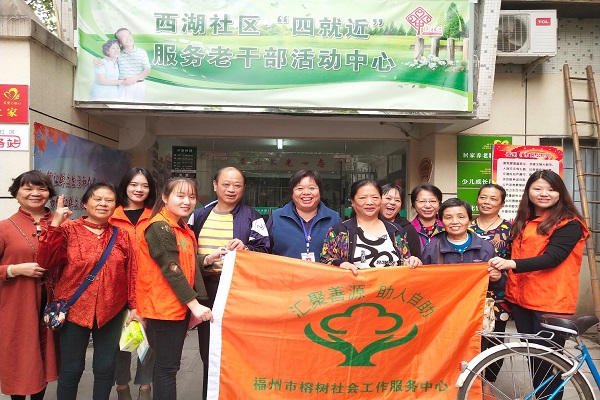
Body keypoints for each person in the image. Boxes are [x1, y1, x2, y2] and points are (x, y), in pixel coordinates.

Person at [489, 170, 588, 400]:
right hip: (522, 301)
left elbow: (553, 258)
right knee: (534, 360)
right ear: (528, 192)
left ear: (560, 193)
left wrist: (510, 264)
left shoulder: (569, 223)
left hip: (550, 303)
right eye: (538, 188)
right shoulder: (524, 220)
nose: (544, 194)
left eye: (551, 189)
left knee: (548, 364)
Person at [37, 182, 137, 400]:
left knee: (105, 367)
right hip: (74, 310)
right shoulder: (68, 229)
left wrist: (134, 306)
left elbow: (131, 272)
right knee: (71, 369)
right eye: (97, 199)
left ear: (115, 206)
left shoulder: (122, 235)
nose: (103, 204)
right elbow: (45, 261)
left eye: (109, 200)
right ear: (85, 202)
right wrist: (55, 224)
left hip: (111, 310)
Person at [188, 166, 269, 400]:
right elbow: (187, 251)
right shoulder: (199, 215)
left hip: (237, 292)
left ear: (244, 188)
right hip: (206, 289)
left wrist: (247, 248)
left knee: (237, 349)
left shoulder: (253, 217)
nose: (231, 189)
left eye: (237, 185)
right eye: (226, 184)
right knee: (208, 348)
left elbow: (265, 250)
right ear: (215, 185)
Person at [137, 177, 212, 400]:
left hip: (173, 306)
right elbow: (171, 268)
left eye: (191, 197)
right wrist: (194, 304)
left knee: (165, 367)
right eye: (180, 196)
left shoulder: (179, 226)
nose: (187, 201)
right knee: (167, 369)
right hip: (164, 308)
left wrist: (208, 259)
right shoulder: (160, 227)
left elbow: (185, 262)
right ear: (164, 197)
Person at [0, 171, 58, 400]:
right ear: (16, 193)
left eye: (42, 189)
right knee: (20, 358)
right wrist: (14, 270)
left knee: (45, 356)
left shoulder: (62, 224)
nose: (35, 193)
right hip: (17, 305)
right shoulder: (5, 228)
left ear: (49, 194)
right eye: (28, 188)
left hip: (53, 305)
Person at [110, 168, 157, 400]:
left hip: (150, 287)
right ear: (125, 186)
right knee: (121, 340)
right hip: (116, 288)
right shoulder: (111, 215)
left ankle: (145, 387)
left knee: (148, 339)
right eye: (134, 184)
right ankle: (122, 386)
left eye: (145, 185)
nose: (139, 189)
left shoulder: (157, 216)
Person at [321, 179, 422, 275]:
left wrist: (412, 261)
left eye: (375, 197)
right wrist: (340, 264)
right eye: (362, 198)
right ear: (352, 202)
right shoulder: (339, 231)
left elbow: (405, 261)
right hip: (355, 287)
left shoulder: (396, 231)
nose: (369, 202)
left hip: (391, 287)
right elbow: (325, 262)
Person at [469, 184, 512, 399]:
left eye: (493, 199)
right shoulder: (466, 225)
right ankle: (472, 383)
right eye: (483, 197)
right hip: (469, 294)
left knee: (495, 342)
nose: (487, 202)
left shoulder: (511, 229)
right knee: (471, 340)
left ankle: (488, 386)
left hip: (498, 295)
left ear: (501, 203)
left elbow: (516, 261)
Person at [267, 170, 341, 261]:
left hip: (322, 271)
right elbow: (263, 251)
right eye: (300, 188)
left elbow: (343, 254)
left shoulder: (334, 219)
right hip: (285, 270)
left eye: (312, 188)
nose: (306, 192)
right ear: (292, 193)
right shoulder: (276, 218)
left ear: (320, 192)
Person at [379, 183, 422, 258]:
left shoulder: (407, 229)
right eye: (388, 198)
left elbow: (416, 258)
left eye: (397, 200)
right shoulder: (367, 225)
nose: (392, 202)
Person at [115, 28, 151, 102]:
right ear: (119, 41)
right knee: (121, 107)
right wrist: (96, 61)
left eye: (129, 35)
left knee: (137, 107)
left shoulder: (142, 52)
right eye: (124, 36)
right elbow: (107, 62)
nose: (127, 38)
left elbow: (147, 70)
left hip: (138, 85)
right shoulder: (117, 53)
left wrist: (133, 79)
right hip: (123, 85)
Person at [410, 184, 444, 253]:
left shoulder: (447, 227)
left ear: (439, 204)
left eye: (433, 201)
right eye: (422, 201)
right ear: (414, 204)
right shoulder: (408, 229)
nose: (428, 206)